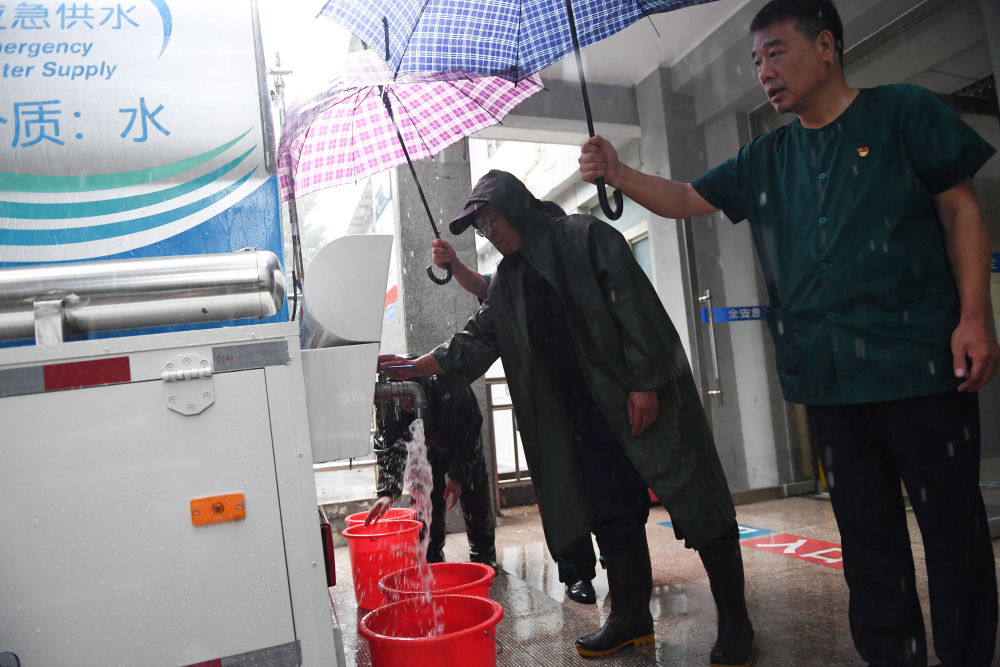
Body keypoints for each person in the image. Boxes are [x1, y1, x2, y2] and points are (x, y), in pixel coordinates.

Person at [578, 0, 999, 664]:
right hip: (829, 383)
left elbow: (961, 211)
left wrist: (975, 316)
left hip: (921, 367)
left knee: (955, 533)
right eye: (755, 61)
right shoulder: (768, 156)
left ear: (827, 46)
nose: (764, 72)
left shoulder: (903, 113)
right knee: (868, 544)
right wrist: (618, 172)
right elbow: (686, 198)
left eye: (775, 52)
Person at [380, 169, 754, 665]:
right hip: (584, 419)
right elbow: (474, 341)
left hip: (640, 400)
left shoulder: (585, 237)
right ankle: (631, 618)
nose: (490, 233)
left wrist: (644, 383)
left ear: (517, 206)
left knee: (696, 499)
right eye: (483, 228)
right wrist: (414, 366)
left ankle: (736, 621)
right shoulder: (508, 281)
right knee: (611, 512)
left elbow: (636, 307)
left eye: (493, 220)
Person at [432, 203, 600, 606]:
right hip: (542, 407)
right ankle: (577, 570)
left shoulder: (579, 266)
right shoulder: (514, 275)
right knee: (558, 490)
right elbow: (485, 288)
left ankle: (618, 552)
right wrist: (454, 264)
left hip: (590, 399)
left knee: (601, 481)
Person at [366, 366, 497, 569]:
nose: (406, 406)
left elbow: (470, 431)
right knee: (425, 501)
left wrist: (458, 476)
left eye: (410, 401)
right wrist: (388, 491)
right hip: (426, 451)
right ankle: (432, 560)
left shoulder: (449, 387)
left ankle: (484, 558)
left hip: (460, 442)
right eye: (402, 402)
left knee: (474, 492)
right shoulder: (389, 399)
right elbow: (388, 444)